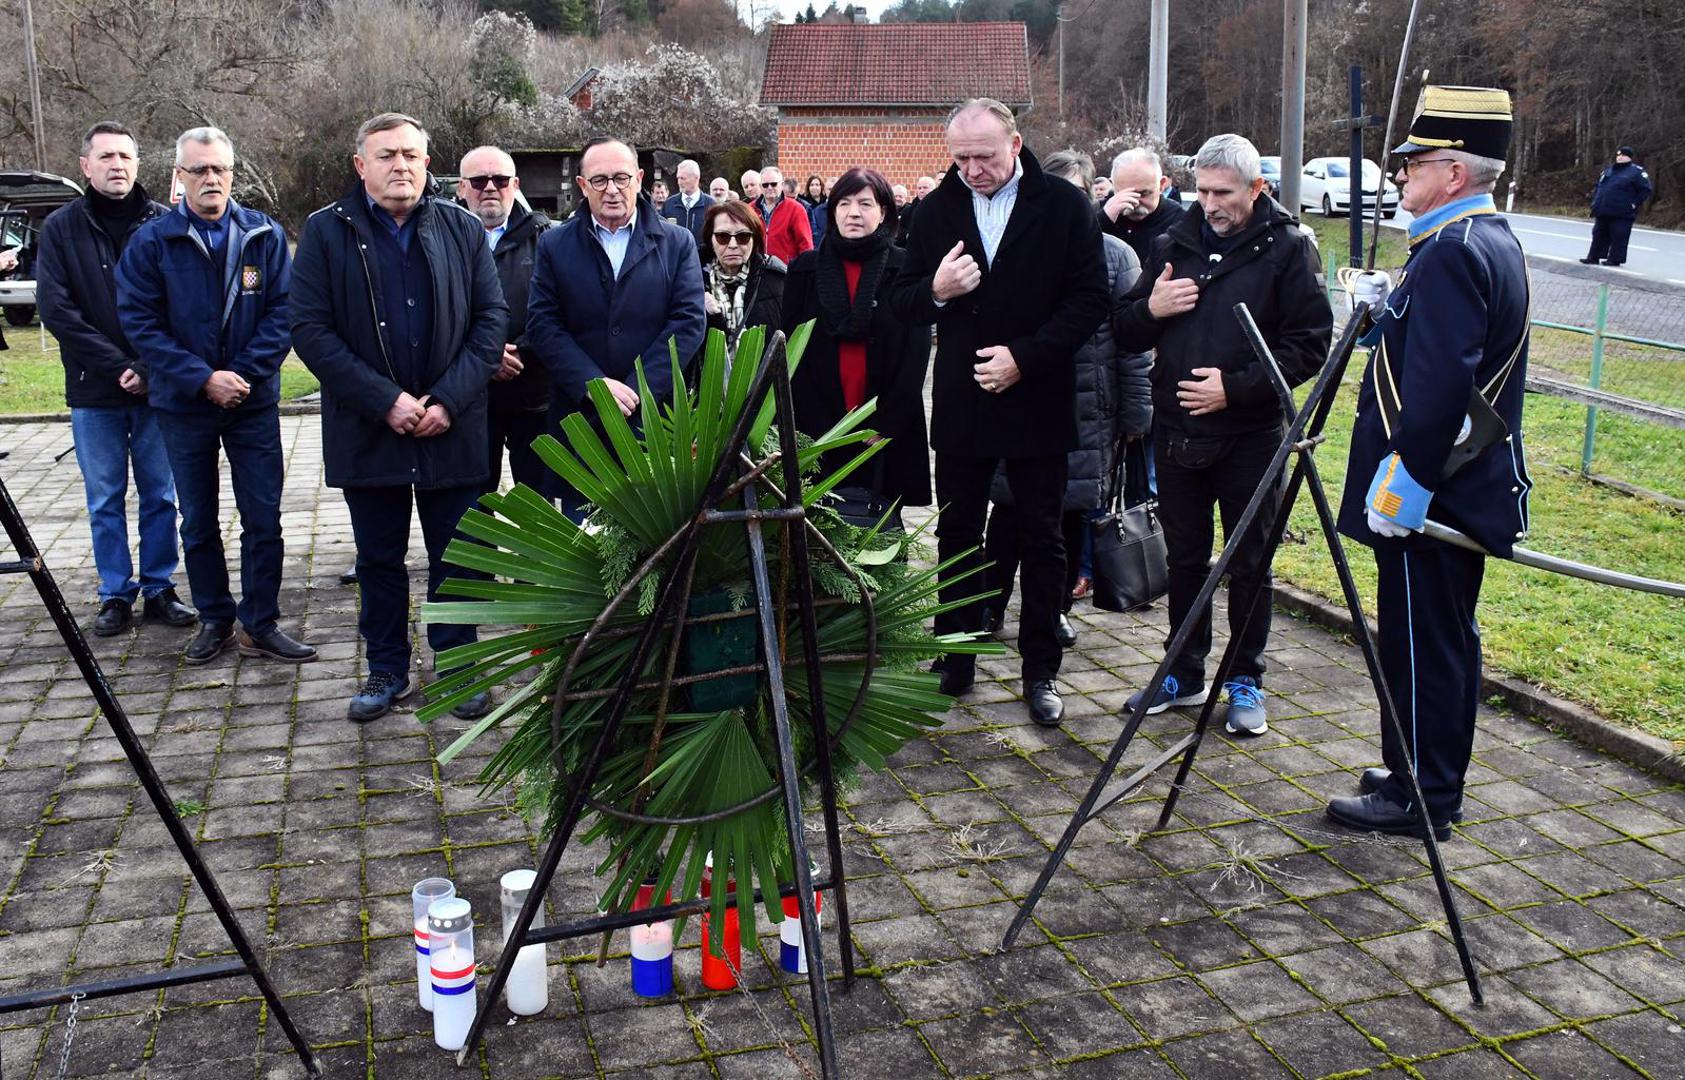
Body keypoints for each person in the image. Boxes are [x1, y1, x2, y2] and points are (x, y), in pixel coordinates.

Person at [1328, 87, 1532, 841]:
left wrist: (1408, 479)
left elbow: (1444, 383)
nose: (1400, 175)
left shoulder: (1452, 250)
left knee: (1423, 646)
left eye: (1413, 163)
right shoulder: (1480, 238)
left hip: (1433, 491)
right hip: (1449, 484)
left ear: (1452, 171)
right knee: (1432, 639)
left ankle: (1424, 796)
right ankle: (1415, 769)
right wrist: (1387, 314)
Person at [889, 98, 1108, 728]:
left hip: (1037, 395)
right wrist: (937, 291)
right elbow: (901, 298)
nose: (972, 169)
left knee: (1042, 538)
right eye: (960, 158)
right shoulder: (935, 209)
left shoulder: (1064, 206)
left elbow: (1091, 298)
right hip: (964, 401)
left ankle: (1040, 671)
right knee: (957, 535)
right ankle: (956, 657)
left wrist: (1026, 358)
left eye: (983, 156)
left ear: (1015, 145)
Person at [290, 112, 507, 722]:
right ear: (361, 165)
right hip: (369, 429)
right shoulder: (325, 232)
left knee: (458, 555)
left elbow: (491, 321)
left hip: (451, 427)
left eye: (411, 154)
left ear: (427, 163)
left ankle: (459, 665)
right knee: (378, 560)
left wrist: (447, 400)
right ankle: (386, 668)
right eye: (386, 155)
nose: (400, 166)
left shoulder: (463, 229)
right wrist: (384, 399)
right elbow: (309, 328)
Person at [1113, 133, 1332, 736]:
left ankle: (1244, 679)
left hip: (1251, 437)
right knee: (1185, 559)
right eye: (1202, 191)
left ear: (1256, 188)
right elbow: (1124, 330)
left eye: (1224, 193)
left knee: (1249, 562)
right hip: (1177, 432)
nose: (1210, 204)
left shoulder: (1289, 248)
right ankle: (1182, 671)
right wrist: (1152, 309)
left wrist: (1235, 389)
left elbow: (1311, 344)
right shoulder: (1172, 243)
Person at [116, 126, 315, 667]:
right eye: (199, 169)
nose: (211, 178)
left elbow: (284, 313)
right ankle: (215, 619)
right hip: (183, 405)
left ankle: (261, 624)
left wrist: (239, 376)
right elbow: (141, 324)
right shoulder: (151, 242)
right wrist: (203, 379)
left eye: (220, 169)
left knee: (263, 518)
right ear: (179, 176)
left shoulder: (264, 235)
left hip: (251, 403)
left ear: (232, 173)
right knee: (198, 521)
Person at [983, 150, 1150, 646]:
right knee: (1008, 511)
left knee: (1071, 514)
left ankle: (1053, 609)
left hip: (1087, 411)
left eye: (1075, 193)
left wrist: (1136, 412)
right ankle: (989, 605)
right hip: (1021, 397)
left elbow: (1133, 342)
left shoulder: (1115, 256)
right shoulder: (1008, 250)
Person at [37, 121, 195, 638]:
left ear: (138, 163)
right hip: (94, 389)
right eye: (106, 157)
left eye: (125, 156)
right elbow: (56, 309)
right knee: (104, 498)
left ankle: (159, 587)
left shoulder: (165, 223)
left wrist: (148, 367)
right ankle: (114, 592)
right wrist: (117, 366)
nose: (117, 165)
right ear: (85, 166)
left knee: (161, 495)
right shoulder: (61, 228)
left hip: (157, 387)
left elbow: (183, 306)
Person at [525, 136, 707, 520]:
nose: (612, 189)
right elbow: (543, 324)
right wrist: (593, 384)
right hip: (582, 422)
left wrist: (638, 388)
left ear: (639, 179)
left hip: (654, 422)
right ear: (582, 185)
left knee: (658, 544)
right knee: (584, 541)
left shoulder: (677, 243)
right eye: (599, 180)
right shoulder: (554, 245)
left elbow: (688, 321)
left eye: (621, 178)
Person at [787, 167, 933, 526]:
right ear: (832, 210)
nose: (854, 212)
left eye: (865, 204)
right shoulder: (804, 270)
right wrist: (819, 428)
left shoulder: (906, 267)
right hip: (819, 424)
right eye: (845, 203)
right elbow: (791, 352)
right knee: (819, 526)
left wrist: (887, 421)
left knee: (880, 525)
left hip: (884, 423)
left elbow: (915, 353)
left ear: (883, 212)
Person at [457, 145, 550, 493]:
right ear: (462, 187)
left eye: (500, 179)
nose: (490, 188)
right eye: (478, 181)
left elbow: (556, 309)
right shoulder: (441, 240)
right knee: (473, 503)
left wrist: (520, 351)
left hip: (534, 394)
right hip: (469, 397)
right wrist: (487, 355)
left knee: (536, 504)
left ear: (515, 184)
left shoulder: (546, 238)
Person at [699, 200, 787, 351]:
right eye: (723, 237)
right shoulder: (693, 280)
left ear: (755, 239)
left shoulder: (775, 279)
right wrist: (711, 316)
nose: (733, 245)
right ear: (710, 240)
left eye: (743, 237)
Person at [1102, 148, 1186, 267]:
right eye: (1126, 194)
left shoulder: (1180, 222)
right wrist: (1103, 221)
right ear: (1113, 185)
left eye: (1144, 194)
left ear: (1161, 185)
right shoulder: (1097, 214)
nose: (1135, 203)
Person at [1581, 145, 1652, 267]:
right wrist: (1595, 203)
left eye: (1623, 155)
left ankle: (1615, 259)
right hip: (1604, 209)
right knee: (1598, 233)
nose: (1620, 157)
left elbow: (1645, 189)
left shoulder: (1636, 172)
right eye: (1618, 155)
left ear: (1629, 157)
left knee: (1619, 235)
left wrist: (1634, 203)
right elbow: (1600, 187)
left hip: (1622, 211)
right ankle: (1593, 256)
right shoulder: (1609, 170)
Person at [755, 166, 814, 265]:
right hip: (758, 269)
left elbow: (805, 245)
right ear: (760, 187)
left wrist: (806, 269)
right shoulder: (751, 209)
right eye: (765, 185)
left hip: (787, 270)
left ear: (782, 185)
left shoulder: (796, 209)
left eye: (774, 184)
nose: (769, 188)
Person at [662, 158, 714, 246]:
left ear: (696, 178)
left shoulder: (711, 205)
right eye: (678, 178)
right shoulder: (669, 204)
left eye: (683, 178)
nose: (679, 182)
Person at [800, 174, 828, 247]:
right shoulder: (803, 203)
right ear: (808, 187)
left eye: (817, 185)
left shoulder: (826, 202)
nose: (814, 187)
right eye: (811, 185)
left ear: (821, 187)